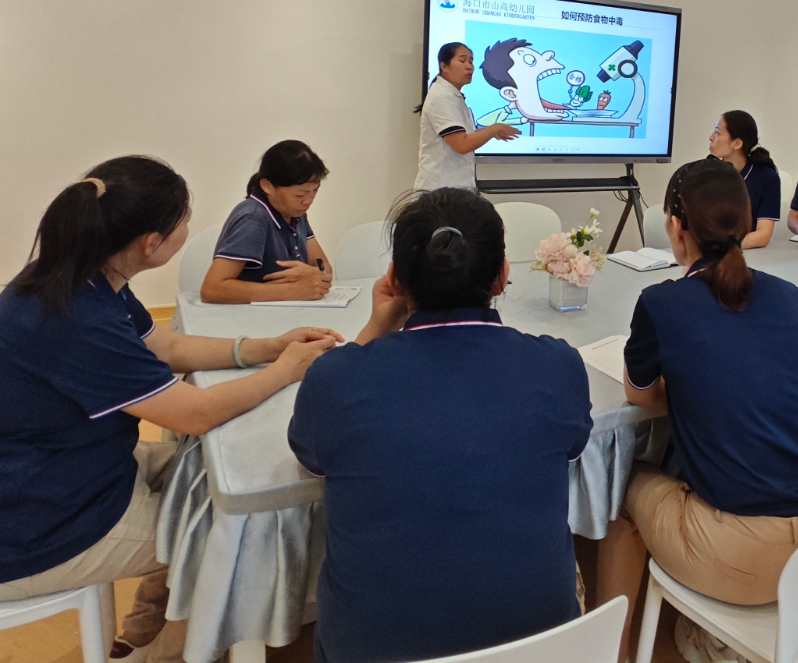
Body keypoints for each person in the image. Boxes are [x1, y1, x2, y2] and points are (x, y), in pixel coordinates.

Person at [0, 157, 336, 663]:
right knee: (236, 546)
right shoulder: (77, 317)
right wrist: (286, 369)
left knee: (210, 477)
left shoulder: (83, 277)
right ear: (150, 243)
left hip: (69, 472)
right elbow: (194, 413)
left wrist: (269, 347)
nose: (189, 228)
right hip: (38, 522)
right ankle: (162, 655)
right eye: (183, 220)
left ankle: (138, 634)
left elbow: (169, 349)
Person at [289, 188, 592, 663]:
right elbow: (570, 449)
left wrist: (376, 327)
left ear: (394, 280)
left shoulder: (336, 379)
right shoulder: (559, 365)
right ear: (502, 276)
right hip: (540, 650)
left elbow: (312, 463)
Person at [597, 160, 798, 663]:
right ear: (747, 223)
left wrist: (692, 384)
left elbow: (640, 395)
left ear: (675, 224)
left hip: (743, 555)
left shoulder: (663, 302)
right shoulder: (789, 296)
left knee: (619, 484)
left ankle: (610, 652)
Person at [202, 140, 334, 303]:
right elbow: (212, 289)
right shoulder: (253, 218)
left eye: (315, 191)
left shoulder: (296, 212)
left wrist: (314, 274)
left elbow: (324, 267)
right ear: (267, 186)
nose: (308, 201)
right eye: (300, 195)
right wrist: (292, 290)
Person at [414, 42, 521, 192]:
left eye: (471, 61)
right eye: (462, 60)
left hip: (455, 189)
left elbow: (462, 136)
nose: (469, 66)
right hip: (441, 191)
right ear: (443, 66)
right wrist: (494, 128)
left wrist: (489, 132)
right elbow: (462, 145)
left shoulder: (453, 95)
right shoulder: (442, 96)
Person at [708, 110, 781, 249]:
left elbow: (763, 236)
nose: (711, 138)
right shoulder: (710, 173)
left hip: (747, 255)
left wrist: (722, 247)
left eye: (718, 132)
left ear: (737, 143)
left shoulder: (767, 178)